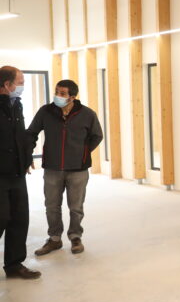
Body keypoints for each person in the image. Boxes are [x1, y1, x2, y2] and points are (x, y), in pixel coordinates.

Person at [28, 80, 103, 256]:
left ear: (72, 97)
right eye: (57, 92)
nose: (57, 96)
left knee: (76, 207)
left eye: (62, 93)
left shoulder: (87, 114)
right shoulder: (46, 112)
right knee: (51, 206)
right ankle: (54, 239)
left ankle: (75, 237)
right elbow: (31, 133)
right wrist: (27, 154)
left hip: (78, 170)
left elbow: (97, 136)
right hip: (52, 169)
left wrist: (83, 153)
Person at [0, 66, 40, 280]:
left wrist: (26, 158)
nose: (22, 86)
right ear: (7, 84)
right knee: (1, 217)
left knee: (19, 218)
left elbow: (19, 136)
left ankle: (14, 264)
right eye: (20, 82)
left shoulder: (16, 104)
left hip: (17, 173)